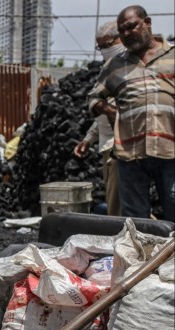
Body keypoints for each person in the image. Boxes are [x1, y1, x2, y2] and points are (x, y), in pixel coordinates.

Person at [87, 5, 175, 221]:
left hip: (170, 148)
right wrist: (107, 109)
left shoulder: (172, 55)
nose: (126, 34)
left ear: (148, 23)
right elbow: (93, 97)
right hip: (130, 152)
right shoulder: (114, 65)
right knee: (135, 218)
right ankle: (141, 255)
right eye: (121, 31)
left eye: (131, 27)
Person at [74, 21, 124, 216]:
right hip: (107, 146)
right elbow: (102, 112)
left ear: (120, 39)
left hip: (121, 146)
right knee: (117, 202)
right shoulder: (109, 70)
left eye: (107, 45)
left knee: (117, 205)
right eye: (100, 47)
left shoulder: (131, 69)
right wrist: (88, 139)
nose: (103, 51)